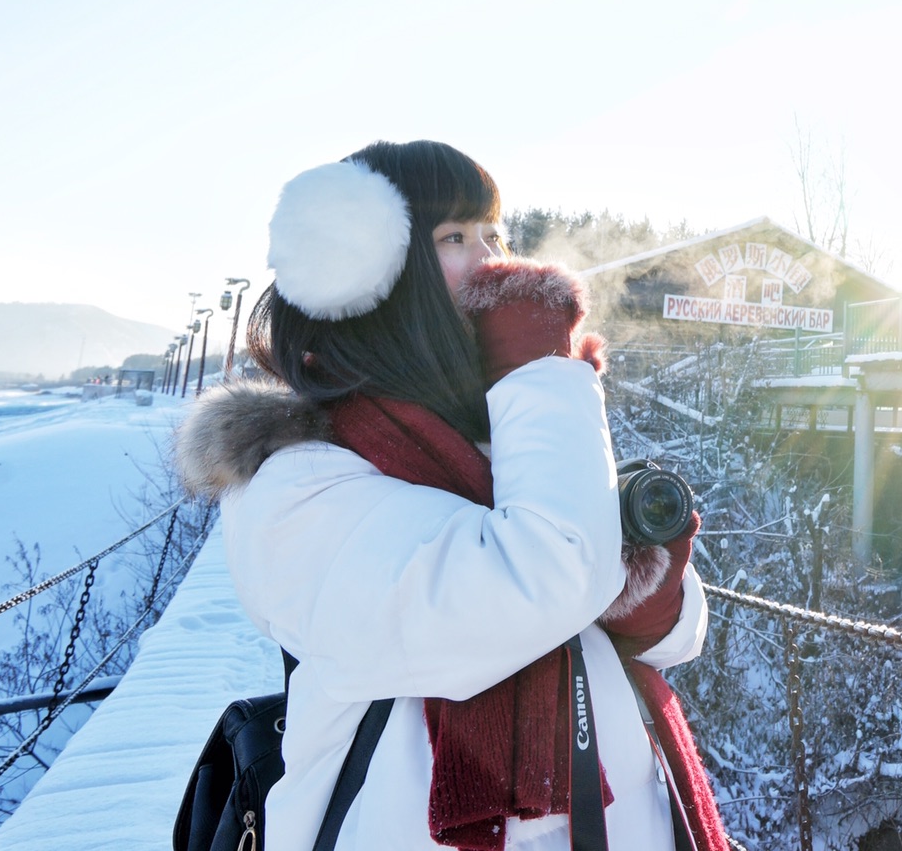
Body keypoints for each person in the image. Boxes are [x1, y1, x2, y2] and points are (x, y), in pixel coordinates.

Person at [176, 139, 724, 851]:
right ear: (371, 276)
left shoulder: (503, 433)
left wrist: (650, 594)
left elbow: (683, 636)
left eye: (496, 233)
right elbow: (543, 577)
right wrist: (540, 370)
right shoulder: (297, 483)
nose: (494, 259)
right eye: (457, 236)